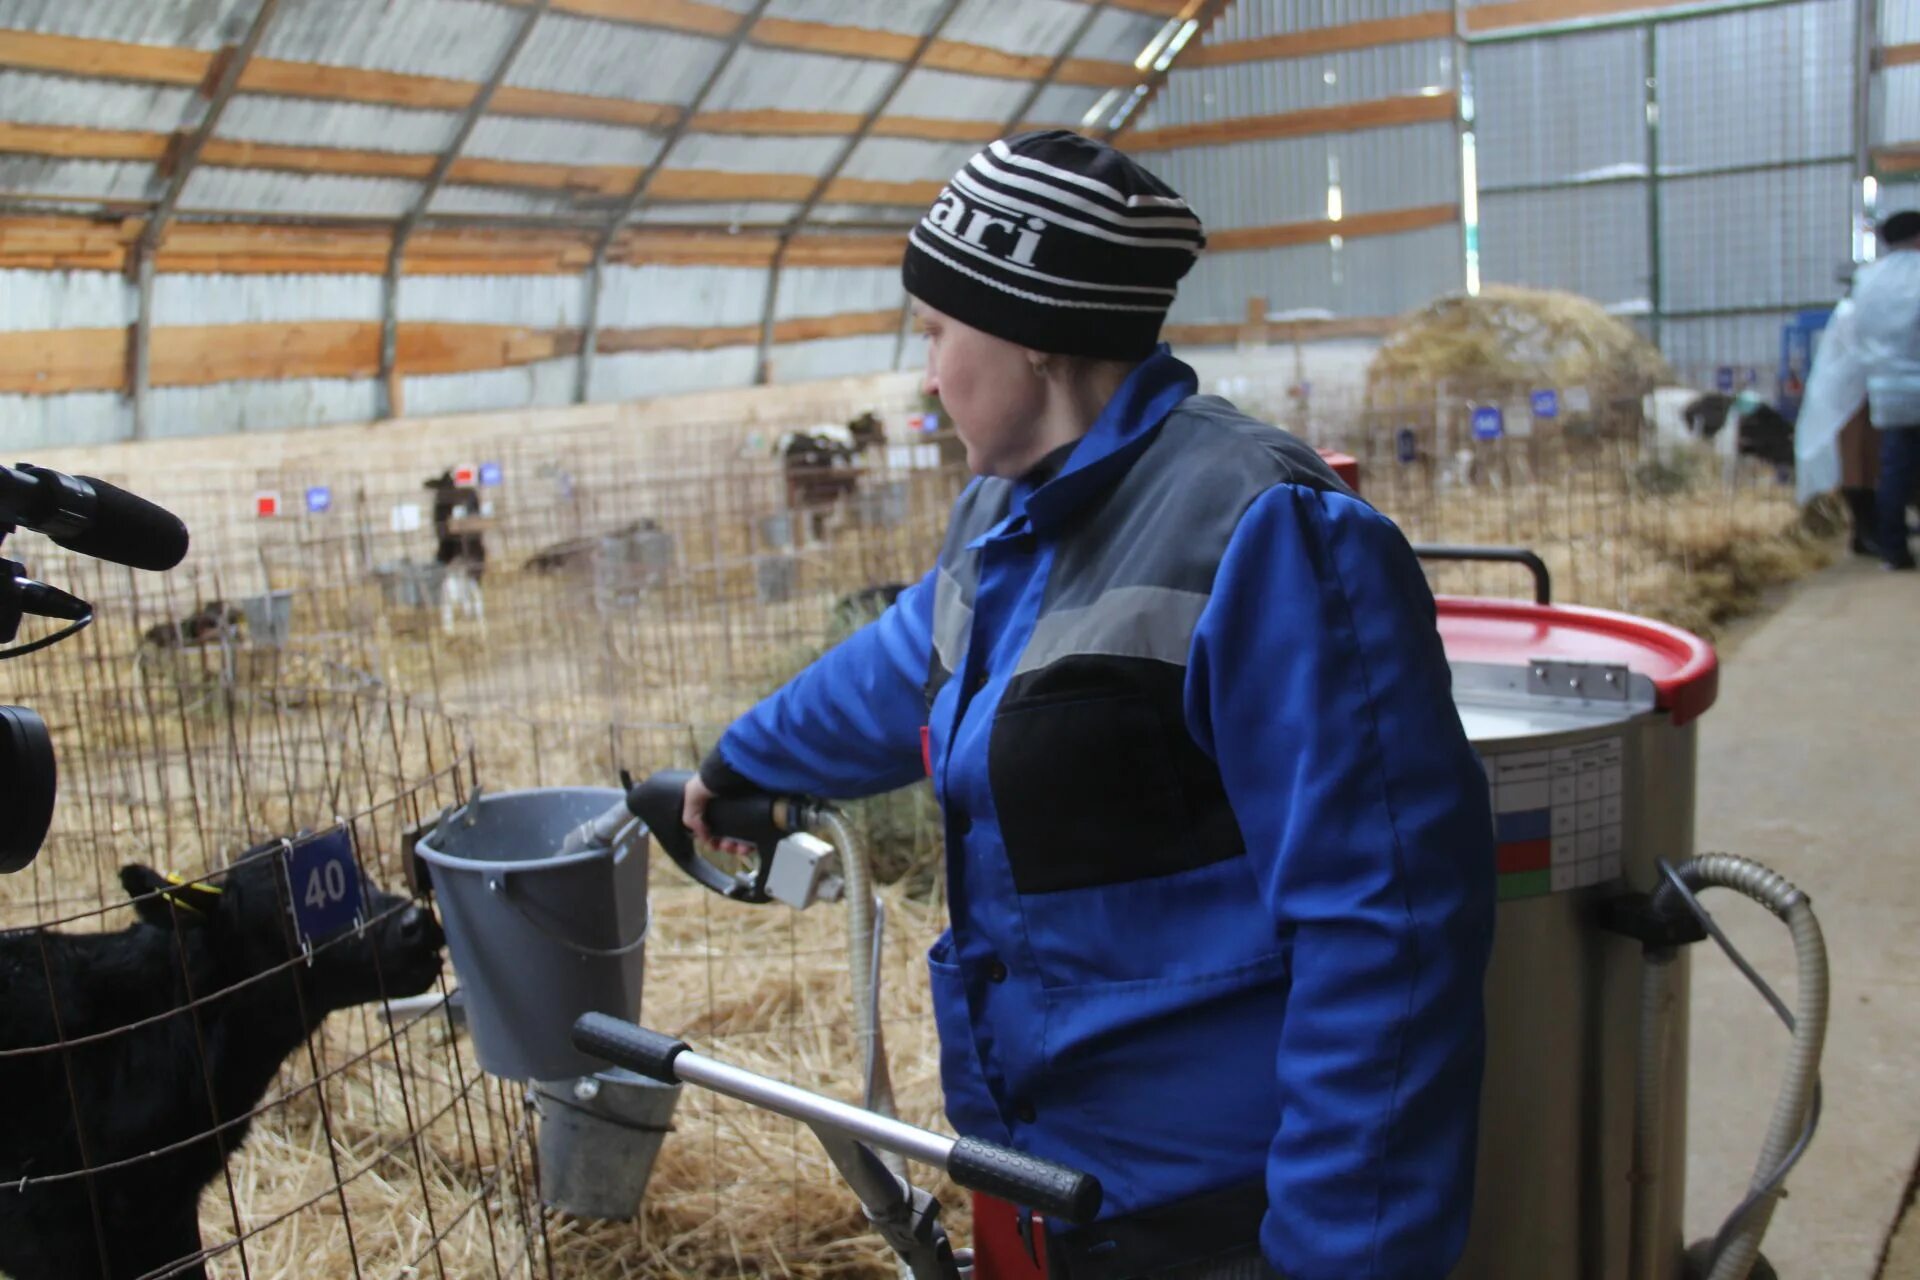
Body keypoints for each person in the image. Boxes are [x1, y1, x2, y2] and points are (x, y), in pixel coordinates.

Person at [684, 132, 1496, 1279]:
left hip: (1223, 1210)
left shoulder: (1269, 533)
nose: (926, 372)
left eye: (934, 332)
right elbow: (902, 661)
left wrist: (1336, 1256)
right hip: (1048, 1180)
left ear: (1031, 332)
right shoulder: (1006, 513)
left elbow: (1390, 926)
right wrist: (741, 758)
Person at [1851, 209, 1920, 569]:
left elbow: (1858, 331)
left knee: (1893, 469)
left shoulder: (1868, 279)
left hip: (1887, 390)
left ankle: (1893, 551)